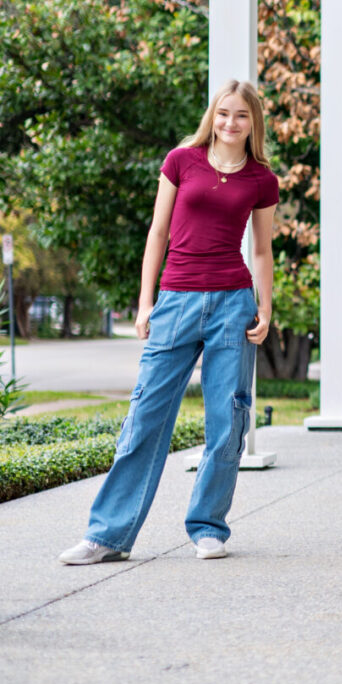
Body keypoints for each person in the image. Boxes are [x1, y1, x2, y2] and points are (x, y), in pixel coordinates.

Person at [59, 81, 278, 564]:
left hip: (232, 304)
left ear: (253, 123)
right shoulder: (181, 160)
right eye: (223, 114)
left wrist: (266, 306)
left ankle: (207, 527)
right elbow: (157, 232)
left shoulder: (262, 179)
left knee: (228, 420)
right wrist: (144, 303)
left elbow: (261, 249)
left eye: (241, 116)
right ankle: (107, 535)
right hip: (175, 301)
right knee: (145, 418)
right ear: (212, 116)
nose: (230, 123)